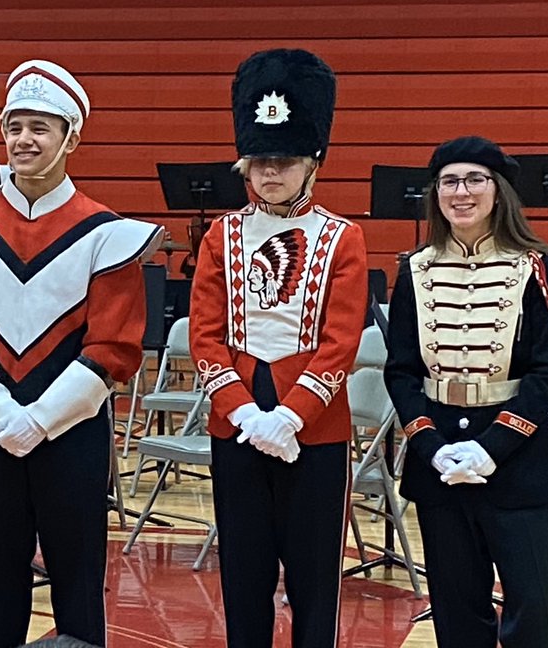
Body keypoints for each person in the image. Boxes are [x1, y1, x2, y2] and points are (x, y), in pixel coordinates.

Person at [0, 60, 161, 647]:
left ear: (70, 139)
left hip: (73, 433)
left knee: (78, 582)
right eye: (15, 127)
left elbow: (112, 345)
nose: (24, 140)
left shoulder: (106, 233)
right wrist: (3, 416)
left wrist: (41, 420)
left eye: (40, 128)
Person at [188, 49, 367, 648]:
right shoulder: (221, 234)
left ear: (313, 163)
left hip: (315, 428)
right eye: (260, 161)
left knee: (316, 578)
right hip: (235, 423)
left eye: (284, 161)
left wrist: (291, 416)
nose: (270, 173)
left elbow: (341, 340)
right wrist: (243, 412)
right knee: (244, 573)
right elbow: (205, 333)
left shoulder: (343, 237)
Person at [384, 136, 548, 648]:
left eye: (475, 179)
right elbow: (401, 371)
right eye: (449, 181)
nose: (461, 192)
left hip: (518, 464)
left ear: (499, 191)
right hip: (439, 466)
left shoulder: (538, 267)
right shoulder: (414, 269)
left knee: (534, 613)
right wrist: (431, 446)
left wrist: (491, 447)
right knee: (456, 614)